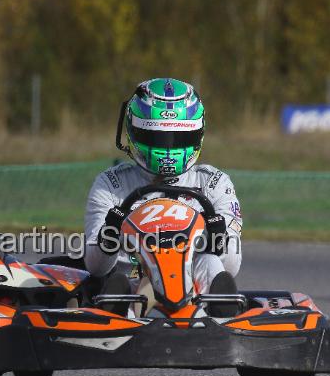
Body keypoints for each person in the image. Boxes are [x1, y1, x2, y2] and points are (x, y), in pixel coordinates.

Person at [83, 78, 242, 307]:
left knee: (210, 262)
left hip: (195, 296)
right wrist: (109, 235)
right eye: (157, 138)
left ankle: (220, 315)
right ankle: (121, 313)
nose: (168, 148)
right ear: (134, 132)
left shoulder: (214, 183)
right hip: (131, 287)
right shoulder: (111, 184)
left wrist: (218, 241)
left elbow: (232, 267)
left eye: (179, 139)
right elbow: (95, 267)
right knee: (127, 279)